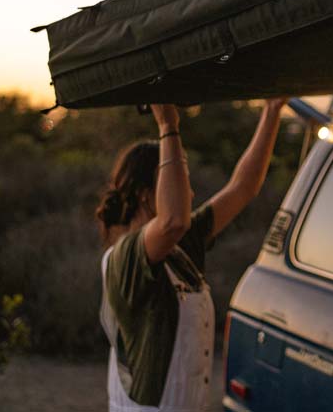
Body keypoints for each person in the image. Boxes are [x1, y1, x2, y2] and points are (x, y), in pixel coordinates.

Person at [95, 99, 286, 411]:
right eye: (178, 180)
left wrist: (272, 110)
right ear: (147, 195)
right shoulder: (124, 258)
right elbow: (173, 220)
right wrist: (168, 127)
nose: (191, 193)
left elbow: (243, 187)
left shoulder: (180, 246)